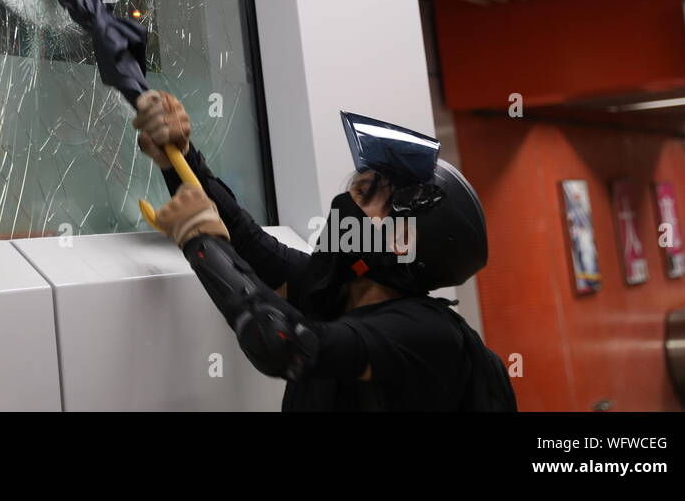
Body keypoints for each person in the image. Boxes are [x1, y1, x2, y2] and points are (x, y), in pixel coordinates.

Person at [133, 90, 515, 411]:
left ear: (402, 240)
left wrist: (202, 243)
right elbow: (248, 242)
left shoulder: (427, 334)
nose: (343, 204)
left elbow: (282, 342)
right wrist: (178, 157)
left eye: (363, 196)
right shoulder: (334, 293)